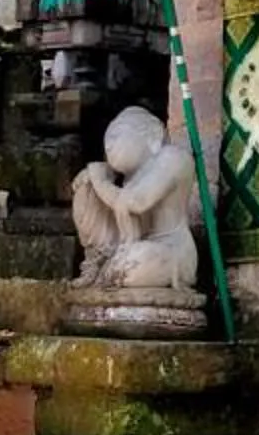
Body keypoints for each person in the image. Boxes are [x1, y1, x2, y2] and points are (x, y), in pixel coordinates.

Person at [69, 106, 199, 294]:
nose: (110, 142)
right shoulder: (129, 177)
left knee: (132, 265)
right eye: (109, 135)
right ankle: (98, 262)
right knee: (86, 188)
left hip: (170, 251)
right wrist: (92, 183)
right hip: (134, 246)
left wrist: (100, 180)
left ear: (152, 135)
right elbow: (125, 213)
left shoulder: (173, 158)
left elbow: (136, 203)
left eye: (119, 133)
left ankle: (113, 268)